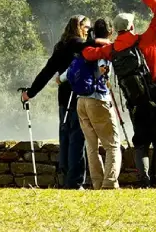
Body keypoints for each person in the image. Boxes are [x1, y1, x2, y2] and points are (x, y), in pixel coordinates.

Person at [82, 0, 156, 187]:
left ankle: (143, 180)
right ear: (131, 27)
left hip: (134, 102)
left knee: (140, 143)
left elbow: (88, 53)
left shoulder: (111, 49)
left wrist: (93, 39)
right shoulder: (146, 40)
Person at [20, 15, 101, 189]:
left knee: (65, 137)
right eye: (87, 27)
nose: (89, 30)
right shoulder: (77, 44)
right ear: (79, 27)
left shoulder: (61, 46)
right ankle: (75, 182)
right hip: (78, 98)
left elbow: (47, 72)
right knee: (77, 140)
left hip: (63, 100)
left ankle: (64, 177)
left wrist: (31, 93)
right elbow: (93, 46)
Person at [67, 19, 122, 190]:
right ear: (110, 32)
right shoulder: (102, 50)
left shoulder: (85, 48)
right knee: (112, 143)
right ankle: (110, 182)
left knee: (92, 146)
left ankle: (97, 183)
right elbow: (103, 72)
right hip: (98, 99)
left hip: (81, 101)